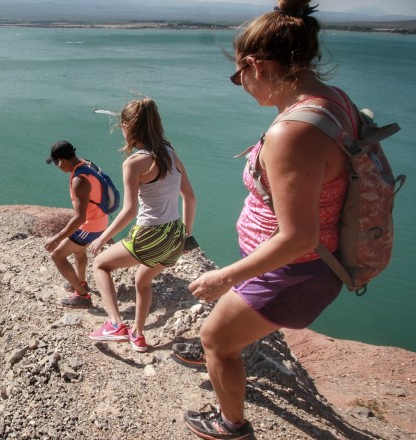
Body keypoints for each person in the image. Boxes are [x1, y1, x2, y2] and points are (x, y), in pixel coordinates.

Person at [182, 1, 357, 438]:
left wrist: (224, 277)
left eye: (237, 74)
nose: (239, 83)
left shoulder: (292, 133)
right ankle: (234, 334)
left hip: (293, 270)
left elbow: (298, 237)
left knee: (215, 341)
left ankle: (231, 425)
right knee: (224, 330)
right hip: (299, 264)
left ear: (256, 66)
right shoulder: (333, 102)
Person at [87, 97, 196, 353]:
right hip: (174, 236)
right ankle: (138, 334)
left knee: (100, 264)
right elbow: (190, 197)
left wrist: (102, 238)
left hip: (150, 233)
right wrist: (186, 234)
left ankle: (115, 324)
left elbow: (129, 211)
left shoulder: (134, 162)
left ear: (128, 126)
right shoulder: (171, 153)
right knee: (142, 280)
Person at [45, 140, 109, 308]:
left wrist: (57, 239)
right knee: (79, 252)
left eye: (56, 163)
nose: (57, 167)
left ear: (62, 161)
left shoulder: (79, 180)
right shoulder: (85, 165)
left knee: (57, 255)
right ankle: (81, 282)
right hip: (100, 221)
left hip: (90, 225)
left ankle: (82, 296)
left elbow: (80, 218)